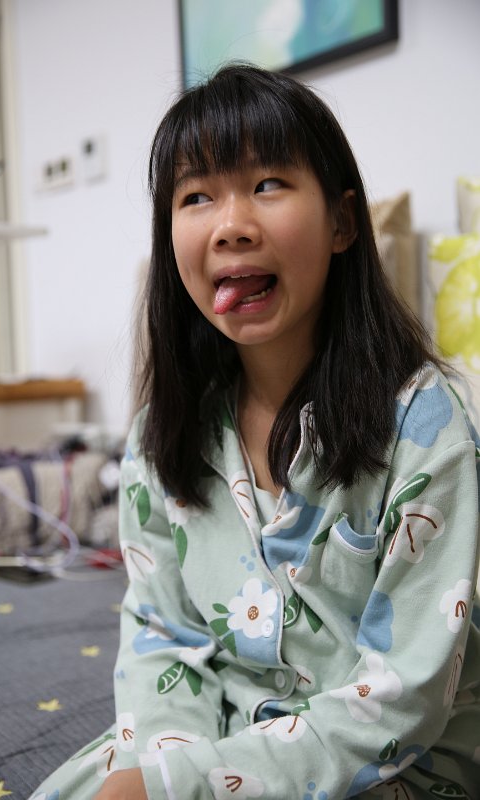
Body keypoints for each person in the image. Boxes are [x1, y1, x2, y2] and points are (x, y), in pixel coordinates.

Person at [30, 64, 480, 800]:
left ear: (342, 223)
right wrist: (165, 773)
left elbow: (405, 697)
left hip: (393, 765)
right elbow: (161, 639)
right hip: (219, 741)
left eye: (268, 184)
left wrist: (191, 787)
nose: (230, 224)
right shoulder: (162, 435)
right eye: (196, 196)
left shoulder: (426, 424)